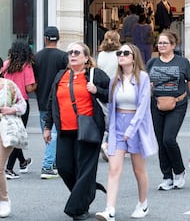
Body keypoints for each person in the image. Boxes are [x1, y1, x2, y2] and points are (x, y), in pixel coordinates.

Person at [44, 42, 110, 220]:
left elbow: (112, 94)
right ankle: (85, 194)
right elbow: (52, 102)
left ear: (86, 58)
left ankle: (77, 209)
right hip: (64, 130)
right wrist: (47, 126)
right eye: (70, 52)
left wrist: (97, 90)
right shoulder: (61, 76)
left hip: (88, 129)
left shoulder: (95, 75)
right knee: (64, 167)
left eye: (77, 52)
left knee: (85, 170)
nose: (72, 55)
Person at [96, 43, 157, 220]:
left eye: (125, 53)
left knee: (139, 170)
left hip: (136, 127)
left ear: (133, 57)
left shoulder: (143, 78)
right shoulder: (115, 79)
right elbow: (111, 108)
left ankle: (143, 203)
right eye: (119, 53)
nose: (121, 55)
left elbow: (143, 107)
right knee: (113, 169)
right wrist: (109, 132)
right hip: (117, 126)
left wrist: (131, 129)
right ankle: (110, 209)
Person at [146, 31, 190, 191]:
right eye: (159, 43)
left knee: (169, 139)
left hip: (177, 105)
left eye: (165, 43)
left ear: (173, 45)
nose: (161, 46)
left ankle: (179, 171)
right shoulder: (152, 62)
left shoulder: (182, 62)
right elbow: (145, 84)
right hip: (156, 104)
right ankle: (167, 177)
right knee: (160, 143)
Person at [0, 55, 26, 218]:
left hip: (3, 132)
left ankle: (4, 200)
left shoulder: (8, 85)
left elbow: (22, 104)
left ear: (0, 69)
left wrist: (12, 110)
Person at [34, 26, 68, 179]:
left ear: (45, 39)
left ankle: (52, 162)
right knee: (54, 133)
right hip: (59, 99)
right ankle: (48, 165)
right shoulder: (63, 57)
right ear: (58, 39)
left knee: (46, 133)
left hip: (42, 99)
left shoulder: (37, 57)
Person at [2, 39, 36, 179]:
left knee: (14, 132)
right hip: (21, 104)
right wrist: (36, 85)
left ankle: (22, 162)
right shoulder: (26, 66)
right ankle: (9, 169)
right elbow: (29, 88)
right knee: (18, 135)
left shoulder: (6, 64)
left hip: (7, 102)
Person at [97, 30, 121, 162]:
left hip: (102, 90)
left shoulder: (100, 55)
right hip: (116, 89)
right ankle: (107, 144)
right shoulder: (120, 55)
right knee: (116, 120)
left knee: (105, 117)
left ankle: (104, 142)